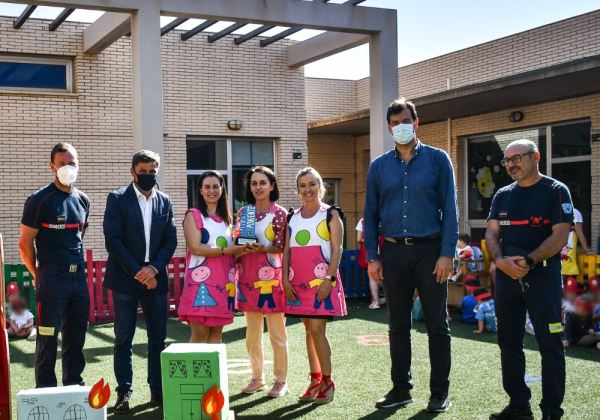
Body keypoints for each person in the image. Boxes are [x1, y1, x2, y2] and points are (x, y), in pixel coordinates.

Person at [364, 98, 457, 413]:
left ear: (416, 123)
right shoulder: (378, 166)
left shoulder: (438, 160)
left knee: (437, 325)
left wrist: (447, 253)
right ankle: (401, 389)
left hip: (431, 251)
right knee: (397, 325)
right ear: (389, 127)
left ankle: (439, 392)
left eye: (405, 121)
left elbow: (451, 211)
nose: (400, 127)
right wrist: (373, 257)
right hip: (392, 253)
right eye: (394, 123)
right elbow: (371, 212)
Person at [485, 139, 573, 420]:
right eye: (506, 161)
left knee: (550, 344)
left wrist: (529, 261)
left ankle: (551, 412)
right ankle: (519, 405)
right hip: (507, 279)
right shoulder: (502, 195)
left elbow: (559, 236)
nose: (511, 164)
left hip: (543, 277)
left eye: (517, 158)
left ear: (536, 156)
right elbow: (491, 234)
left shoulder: (556, 191)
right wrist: (500, 262)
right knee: (508, 343)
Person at [103, 150, 177, 413]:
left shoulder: (165, 201)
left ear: (157, 171)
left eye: (152, 171)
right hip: (125, 280)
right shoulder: (117, 198)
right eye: (143, 171)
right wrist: (138, 272)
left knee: (158, 338)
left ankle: (157, 391)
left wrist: (154, 269)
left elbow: (171, 240)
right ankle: (124, 393)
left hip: (155, 281)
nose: (147, 176)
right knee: (124, 338)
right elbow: (113, 240)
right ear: (133, 172)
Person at [19, 142, 90, 388]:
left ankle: (74, 387)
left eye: (72, 163)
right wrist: (40, 276)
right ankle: (46, 393)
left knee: (76, 338)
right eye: (62, 164)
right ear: (52, 167)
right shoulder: (39, 200)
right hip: (52, 279)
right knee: (48, 339)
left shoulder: (83, 200)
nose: (67, 168)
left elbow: (78, 239)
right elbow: (24, 245)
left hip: (78, 280)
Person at [282, 167, 347, 405]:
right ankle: (315, 379)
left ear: (321, 187)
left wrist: (329, 279)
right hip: (297, 283)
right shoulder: (293, 217)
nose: (307, 190)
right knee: (309, 330)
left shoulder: (331, 214)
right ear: (297, 190)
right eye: (303, 185)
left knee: (318, 330)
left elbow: (337, 249)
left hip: (322, 282)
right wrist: (284, 280)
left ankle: (328, 382)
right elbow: (287, 250)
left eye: (312, 184)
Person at [233, 166, 289, 398]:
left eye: (263, 183)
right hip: (247, 279)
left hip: (273, 280)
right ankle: (257, 378)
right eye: (254, 183)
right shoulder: (243, 213)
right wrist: (240, 246)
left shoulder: (280, 213)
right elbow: (236, 242)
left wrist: (263, 248)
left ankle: (281, 380)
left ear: (272, 185)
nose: (258, 187)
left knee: (277, 335)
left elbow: (283, 246)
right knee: (252, 335)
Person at [178, 171, 244, 344]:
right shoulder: (193, 215)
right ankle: (196, 372)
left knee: (216, 337)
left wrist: (246, 249)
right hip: (201, 285)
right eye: (207, 187)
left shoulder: (227, 220)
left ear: (222, 189)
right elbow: (196, 248)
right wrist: (228, 250)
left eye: (216, 186)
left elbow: (233, 255)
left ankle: (215, 373)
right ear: (200, 190)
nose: (211, 191)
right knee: (200, 336)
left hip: (224, 284)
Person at [356, 218, 385, 309]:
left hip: (369, 251)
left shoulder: (362, 221)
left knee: (372, 277)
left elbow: (358, 239)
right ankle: (389, 300)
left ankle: (375, 302)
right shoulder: (386, 219)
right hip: (385, 249)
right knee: (387, 275)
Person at [561, 207, 592, 279]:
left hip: (567, 248)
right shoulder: (553, 210)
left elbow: (579, 232)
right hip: (554, 248)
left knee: (565, 271)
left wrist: (586, 249)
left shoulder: (574, 212)